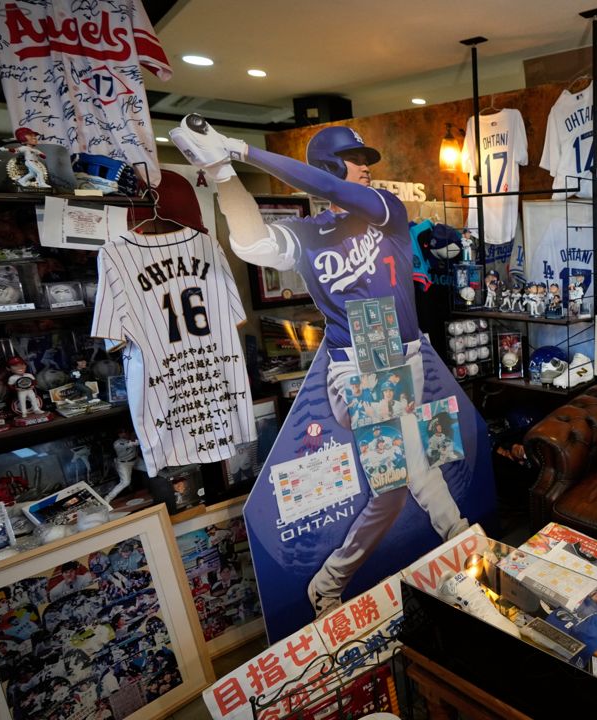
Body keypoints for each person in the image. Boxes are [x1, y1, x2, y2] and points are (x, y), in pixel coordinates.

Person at [171, 114, 476, 618]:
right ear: (333, 165)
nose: (365, 168)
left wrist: (239, 149)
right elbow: (250, 244)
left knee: (396, 490)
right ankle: (468, 548)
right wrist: (225, 172)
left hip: (408, 353)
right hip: (360, 361)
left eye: (365, 160)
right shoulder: (309, 233)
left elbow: (334, 190)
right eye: (356, 160)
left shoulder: (387, 211)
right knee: (416, 469)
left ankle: (329, 580)